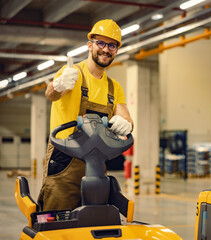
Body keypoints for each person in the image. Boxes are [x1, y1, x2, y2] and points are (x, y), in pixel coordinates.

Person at [38, 19, 134, 211]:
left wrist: (127, 124)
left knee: (95, 221)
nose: (106, 49)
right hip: (64, 161)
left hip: (97, 164)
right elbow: (51, 94)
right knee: (55, 222)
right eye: (101, 43)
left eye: (112, 45)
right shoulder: (72, 73)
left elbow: (125, 116)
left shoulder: (114, 87)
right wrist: (58, 85)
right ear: (90, 45)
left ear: (116, 50)